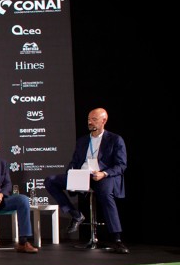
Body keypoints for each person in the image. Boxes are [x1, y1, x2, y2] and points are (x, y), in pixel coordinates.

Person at [44, 107, 128, 254]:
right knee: (50, 180)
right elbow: (74, 161)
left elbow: (121, 165)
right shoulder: (82, 140)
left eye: (94, 119)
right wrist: (71, 173)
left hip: (102, 176)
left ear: (104, 121)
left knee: (106, 195)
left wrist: (104, 173)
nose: (90, 122)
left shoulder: (115, 139)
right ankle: (76, 215)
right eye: (89, 119)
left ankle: (117, 239)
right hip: (82, 175)